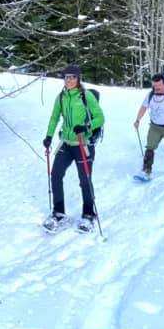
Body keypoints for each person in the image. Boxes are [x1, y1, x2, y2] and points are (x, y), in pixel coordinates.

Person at [42, 65, 105, 233]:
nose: (69, 80)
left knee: (85, 179)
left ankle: (89, 215)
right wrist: (49, 136)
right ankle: (58, 212)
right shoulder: (61, 97)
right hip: (66, 142)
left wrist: (86, 126)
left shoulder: (86, 96)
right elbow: (54, 117)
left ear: (78, 79)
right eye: (66, 77)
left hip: (83, 144)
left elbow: (100, 118)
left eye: (72, 77)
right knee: (56, 175)